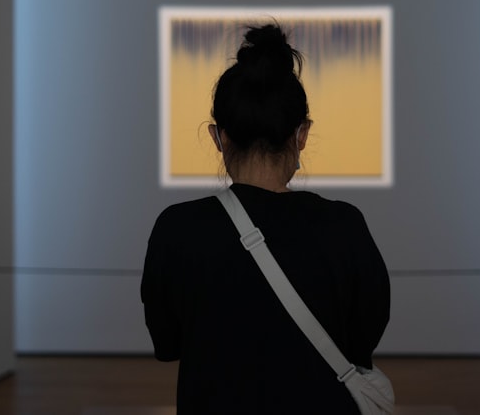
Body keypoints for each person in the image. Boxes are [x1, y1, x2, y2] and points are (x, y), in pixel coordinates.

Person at [141, 23, 390, 414]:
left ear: (218, 137)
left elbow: (167, 344)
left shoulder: (177, 229)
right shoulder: (345, 226)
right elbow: (361, 343)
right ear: (301, 135)